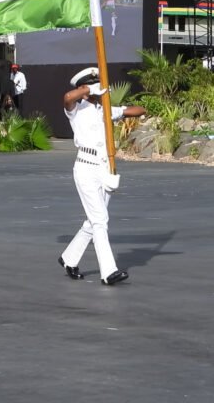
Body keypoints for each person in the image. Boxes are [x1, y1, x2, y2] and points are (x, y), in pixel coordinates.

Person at [59, 67, 145, 286]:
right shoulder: (76, 109)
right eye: (92, 85)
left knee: (93, 221)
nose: (98, 88)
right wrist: (91, 89)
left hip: (104, 169)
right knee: (100, 220)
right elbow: (67, 97)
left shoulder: (104, 109)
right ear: (84, 88)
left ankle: (69, 258)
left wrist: (123, 109)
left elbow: (139, 110)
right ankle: (108, 272)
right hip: (85, 167)